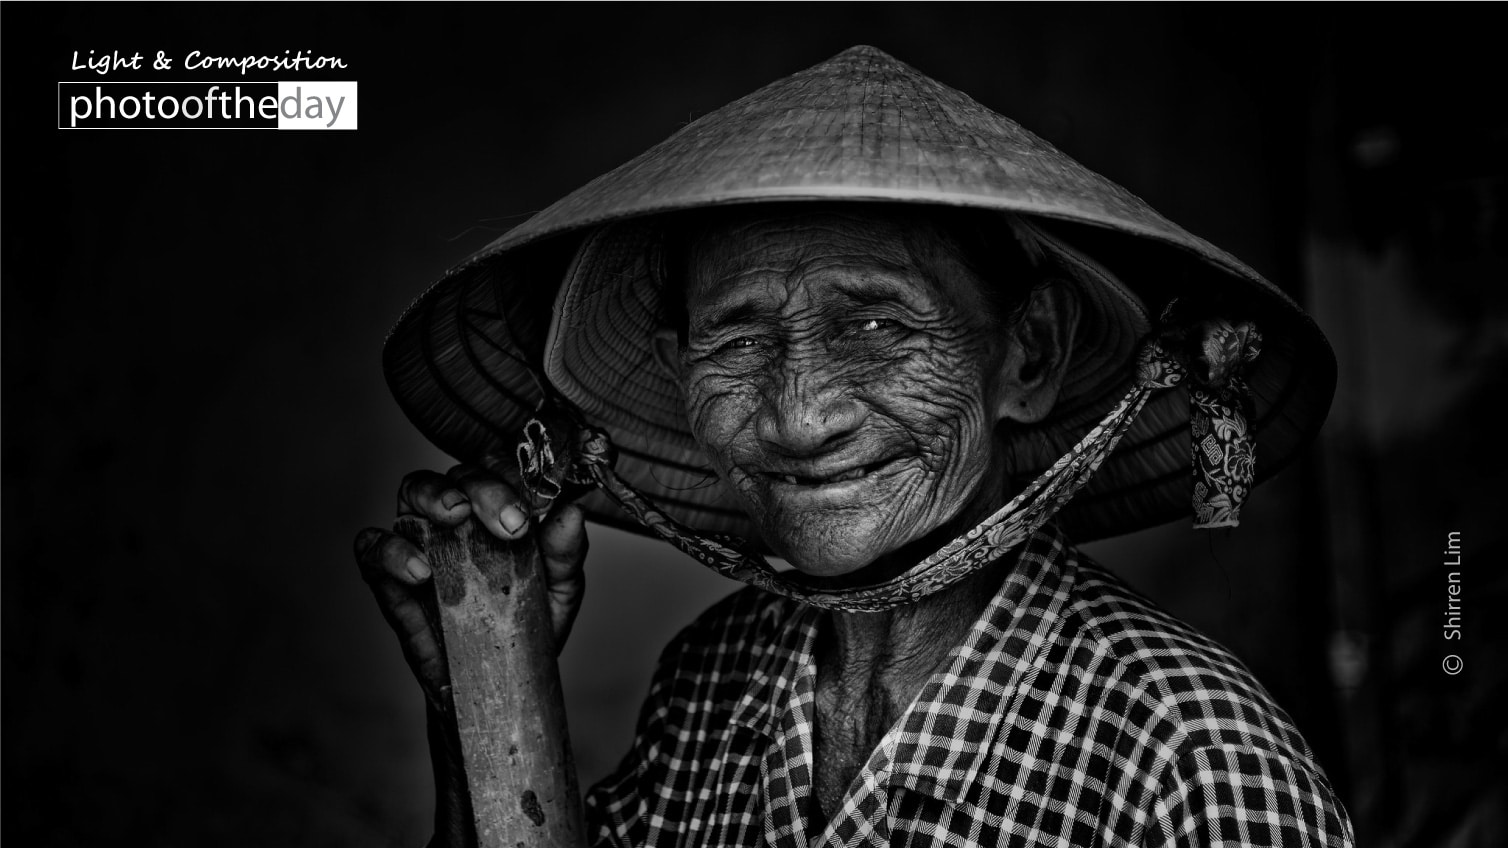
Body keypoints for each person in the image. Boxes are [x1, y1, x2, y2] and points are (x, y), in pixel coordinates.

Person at [356, 47, 1354, 846]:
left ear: (1029, 355)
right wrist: (480, 686)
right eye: (737, 340)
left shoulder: (1192, 760)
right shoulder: (712, 675)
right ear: (673, 365)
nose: (797, 417)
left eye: (876, 328)